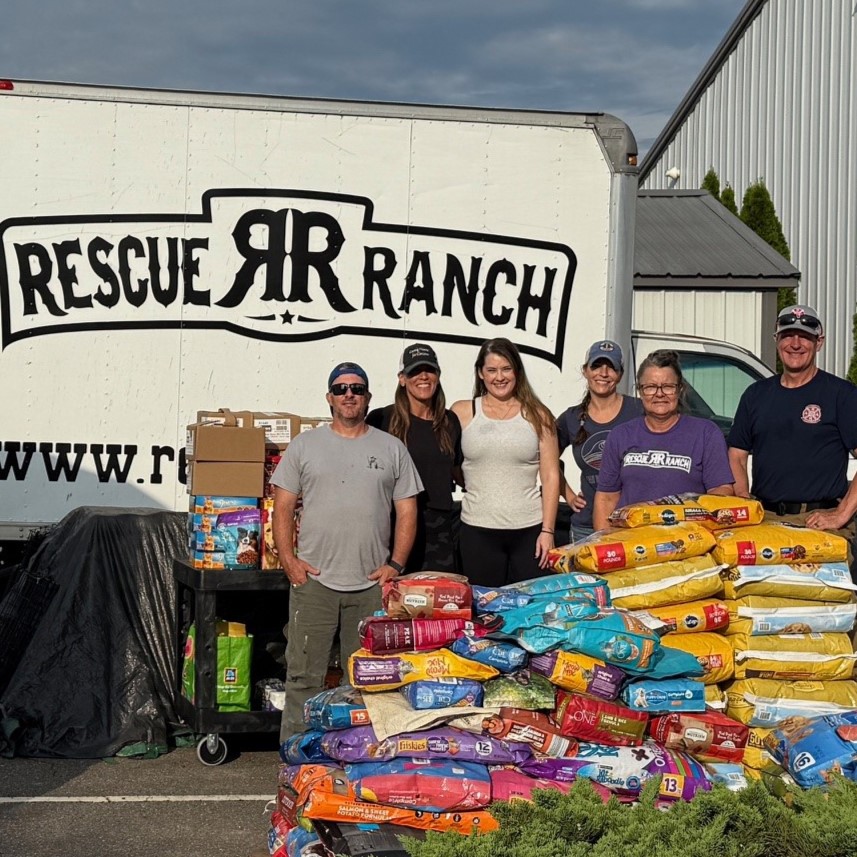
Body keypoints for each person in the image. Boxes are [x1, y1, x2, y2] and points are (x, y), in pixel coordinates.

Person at [271, 361, 423, 739]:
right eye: (341, 389)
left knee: (366, 680)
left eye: (357, 388)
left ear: (368, 398)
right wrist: (289, 561)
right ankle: (295, 761)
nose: (349, 395)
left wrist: (396, 563)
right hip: (315, 582)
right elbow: (283, 505)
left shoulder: (392, 448)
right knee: (304, 676)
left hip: (370, 584)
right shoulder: (306, 445)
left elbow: (407, 510)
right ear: (330, 398)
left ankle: (354, 759)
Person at [727, 304, 857, 545]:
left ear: (819, 342)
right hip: (765, 518)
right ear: (777, 340)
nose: (795, 344)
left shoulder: (842, 395)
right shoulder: (756, 395)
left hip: (819, 522)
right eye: (787, 335)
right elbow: (736, 454)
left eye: (805, 337)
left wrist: (841, 515)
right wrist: (743, 500)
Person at [451, 337, 560, 587]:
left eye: (506, 369)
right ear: (480, 373)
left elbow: (551, 476)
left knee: (530, 612)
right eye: (491, 370)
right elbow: (451, 463)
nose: (499, 377)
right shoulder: (462, 412)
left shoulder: (538, 414)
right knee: (483, 614)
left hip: (530, 532)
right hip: (477, 531)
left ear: (517, 371)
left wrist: (548, 531)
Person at [593, 349, 734, 530]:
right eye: (650, 387)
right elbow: (606, 497)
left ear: (680, 389)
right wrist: (603, 544)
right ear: (640, 391)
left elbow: (721, 491)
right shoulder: (620, 435)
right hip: (631, 544)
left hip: (688, 543)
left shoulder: (706, 433)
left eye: (668, 386)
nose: (659, 394)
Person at [366, 343, 463, 572]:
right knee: (393, 600)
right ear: (402, 378)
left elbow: (459, 472)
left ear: (438, 375)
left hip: (438, 529)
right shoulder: (381, 419)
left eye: (429, 370)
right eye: (415, 371)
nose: (423, 377)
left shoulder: (450, 422)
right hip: (391, 523)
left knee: (436, 600)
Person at [556, 340, 643, 542]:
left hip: (634, 525)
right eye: (596, 366)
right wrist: (567, 494)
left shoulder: (639, 410)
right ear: (585, 371)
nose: (603, 373)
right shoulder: (572, 417)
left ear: (620, 374)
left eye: (611, 367)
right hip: (585, 528)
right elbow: (545, 460)